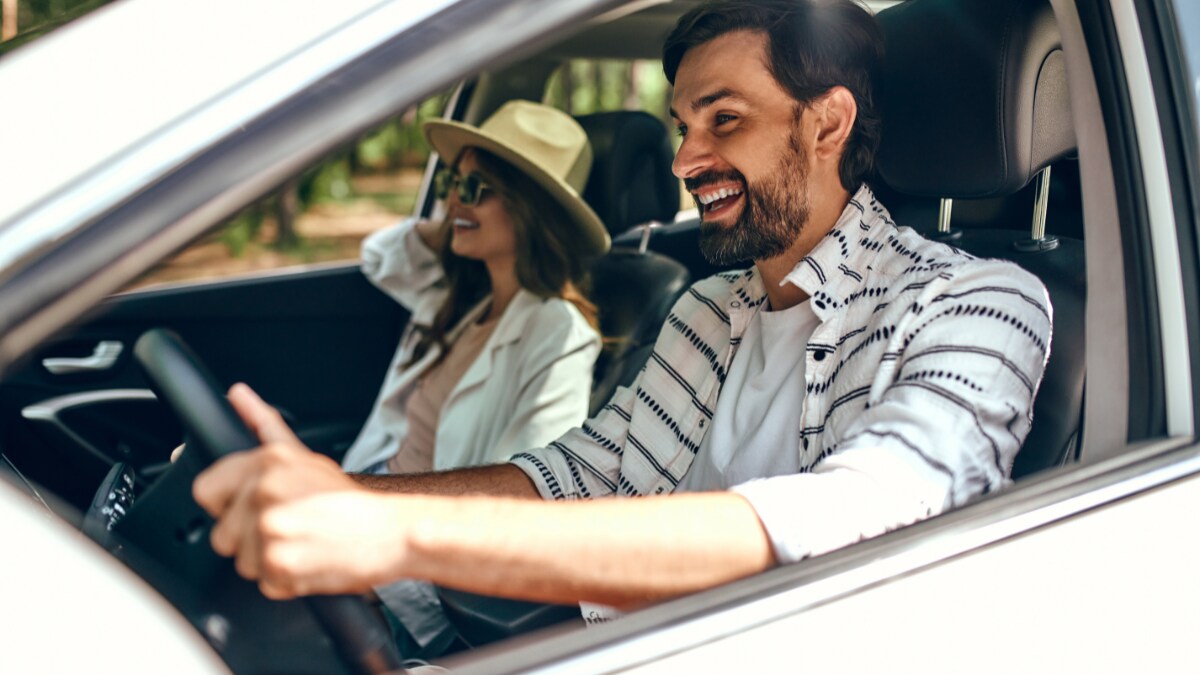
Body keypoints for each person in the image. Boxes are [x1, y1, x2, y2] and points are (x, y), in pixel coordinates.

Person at [194, 0, 1052, 633]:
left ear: (827, 124)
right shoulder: (707, 311)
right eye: (683, 125)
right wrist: (342, 495)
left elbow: (856, 516)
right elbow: (565, 475)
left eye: (724, 120)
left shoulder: (979, 303)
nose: (685, 158)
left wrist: (391, 531)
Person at [341, 100, 609, 654]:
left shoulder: (558, 333)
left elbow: (526, 495)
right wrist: (457, 219)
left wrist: (377, 574)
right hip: (366, 503)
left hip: (405, 566)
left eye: (476, 188)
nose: (453, 200)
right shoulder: (463, 298)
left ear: (531, 210)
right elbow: (379, 256)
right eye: (452, 182)